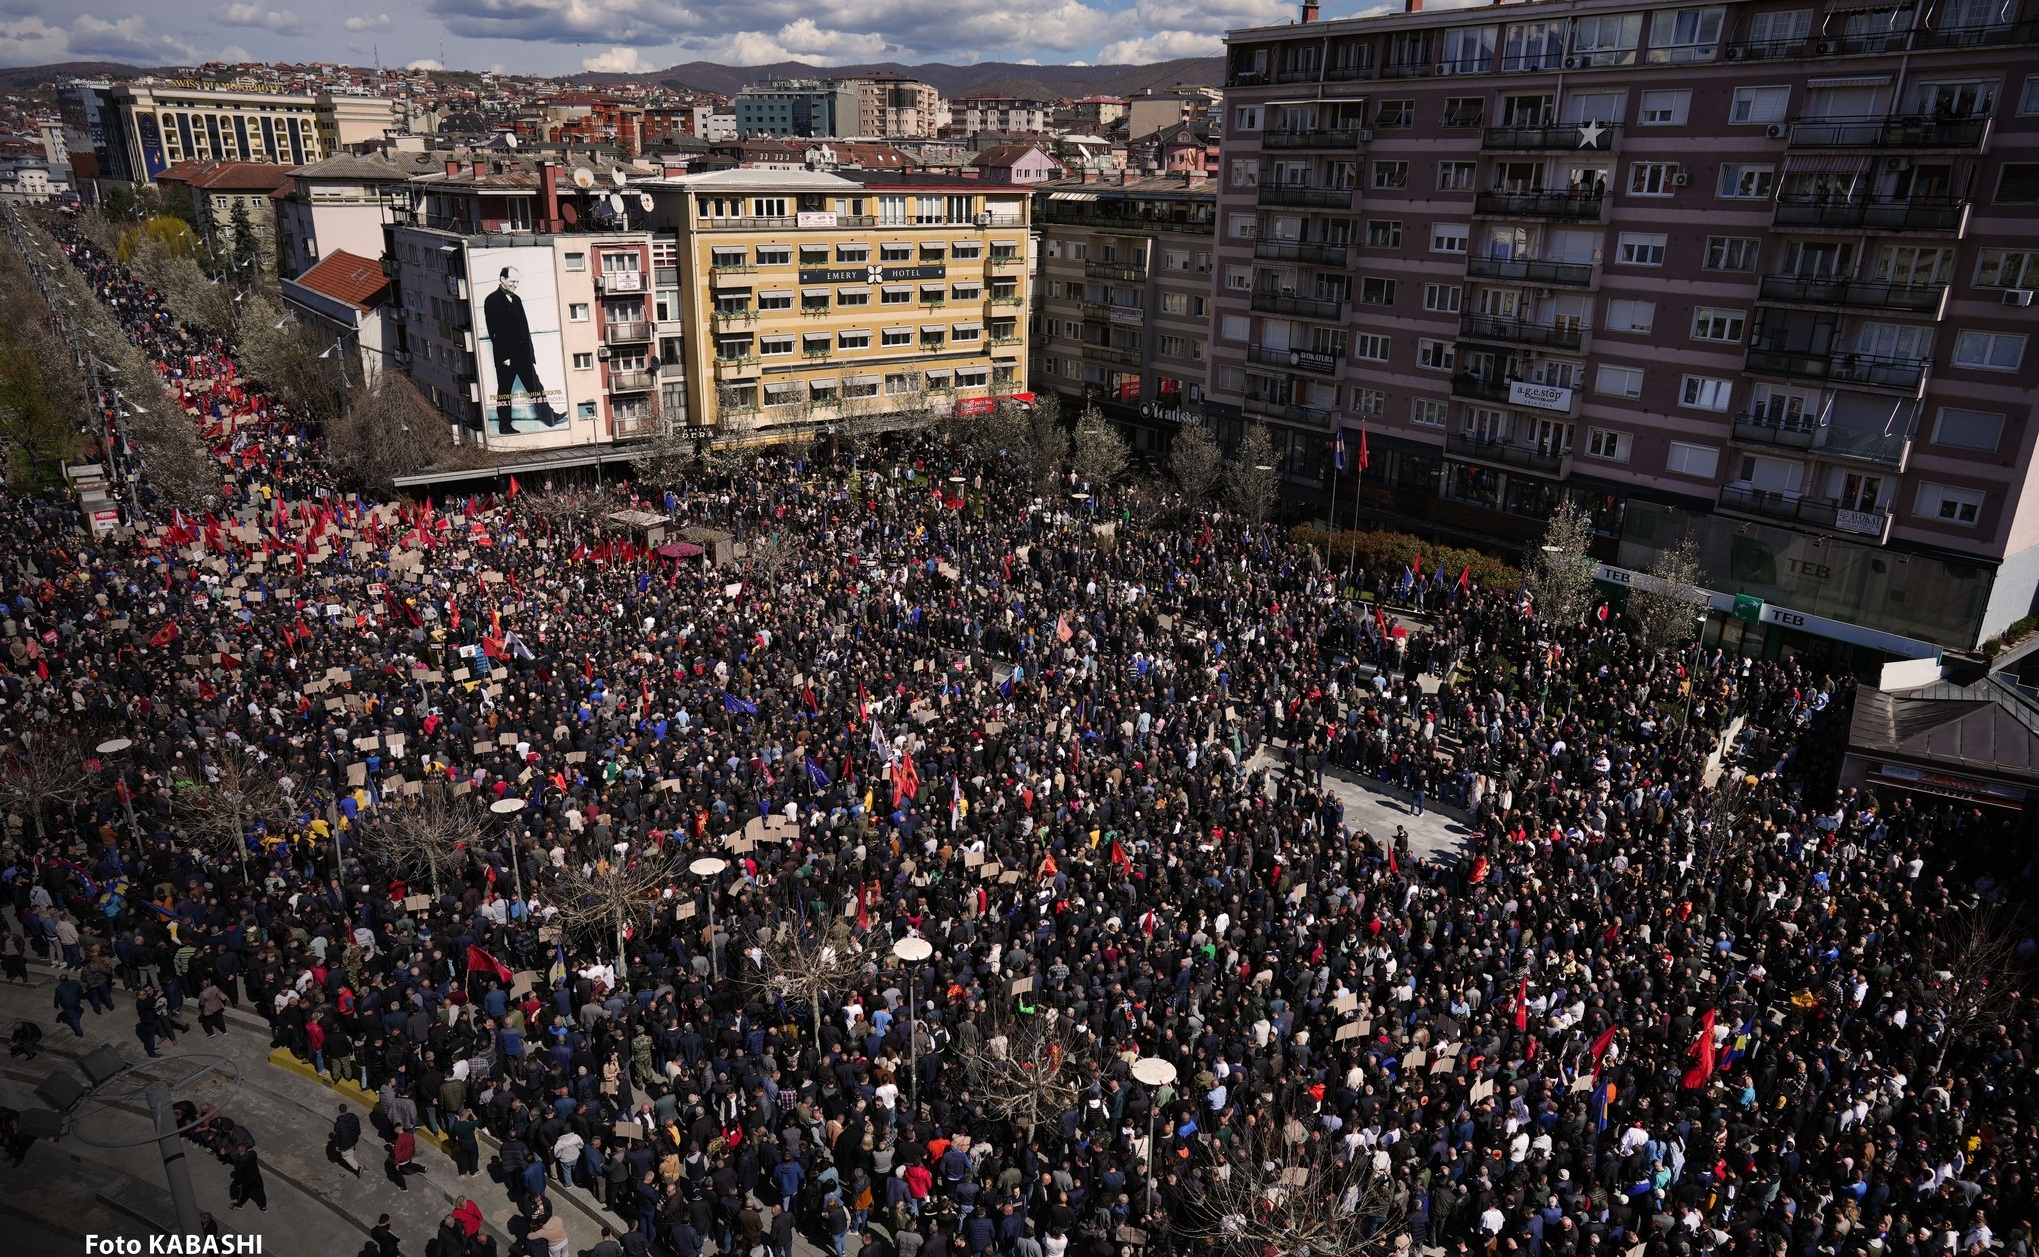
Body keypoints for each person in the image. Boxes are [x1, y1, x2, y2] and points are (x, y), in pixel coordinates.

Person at [481, 265, 566, 434]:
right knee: (504, 392)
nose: (514, 285)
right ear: (502, 279)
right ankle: (504, 426)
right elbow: (494, 331)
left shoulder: (517, 299)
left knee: (536, 387)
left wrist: (530, 353)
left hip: (523, 355)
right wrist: (505, 356)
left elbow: (524, 329)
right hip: (507, 357)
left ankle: (549, 417)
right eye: (512, 281)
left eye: (517, 282)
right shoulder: (491, 300)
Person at [229, 1141, 268, 1212]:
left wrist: (233, 1175)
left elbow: (238, 1175)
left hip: (247, 1181)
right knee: (260, 1191)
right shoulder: (253, 1153)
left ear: (237, 1152)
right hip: (256, 1176)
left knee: (243, 1194)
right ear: (245, 1148)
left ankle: (239, 1205)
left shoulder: (239, 1163)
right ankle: (263, 1206)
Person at [330, 1103, 363, 1176]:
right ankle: (352, 1162)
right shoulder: (354, 1117)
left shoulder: (338, 1124)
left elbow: (337, 1137)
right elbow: (357, 1127)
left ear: (339, 1110)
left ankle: (357, 1168)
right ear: (346, 1109)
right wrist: (358, 1134)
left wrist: (336, 1145)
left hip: (345, 1144)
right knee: (351, 1150)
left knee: (345, 1156)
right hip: (354, 1139)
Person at [390, 1122, 417, 1190]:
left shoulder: (398, 1141)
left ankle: (403, 1187)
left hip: (402, 1160)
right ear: (402, 1127)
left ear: (395, 1130)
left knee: (398, 1173)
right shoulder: (410, 1136)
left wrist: (396, 1163)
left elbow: (397, 1154)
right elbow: (413, 1145)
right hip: (409, 1157)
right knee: (409, 1165)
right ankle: (423, 1168)